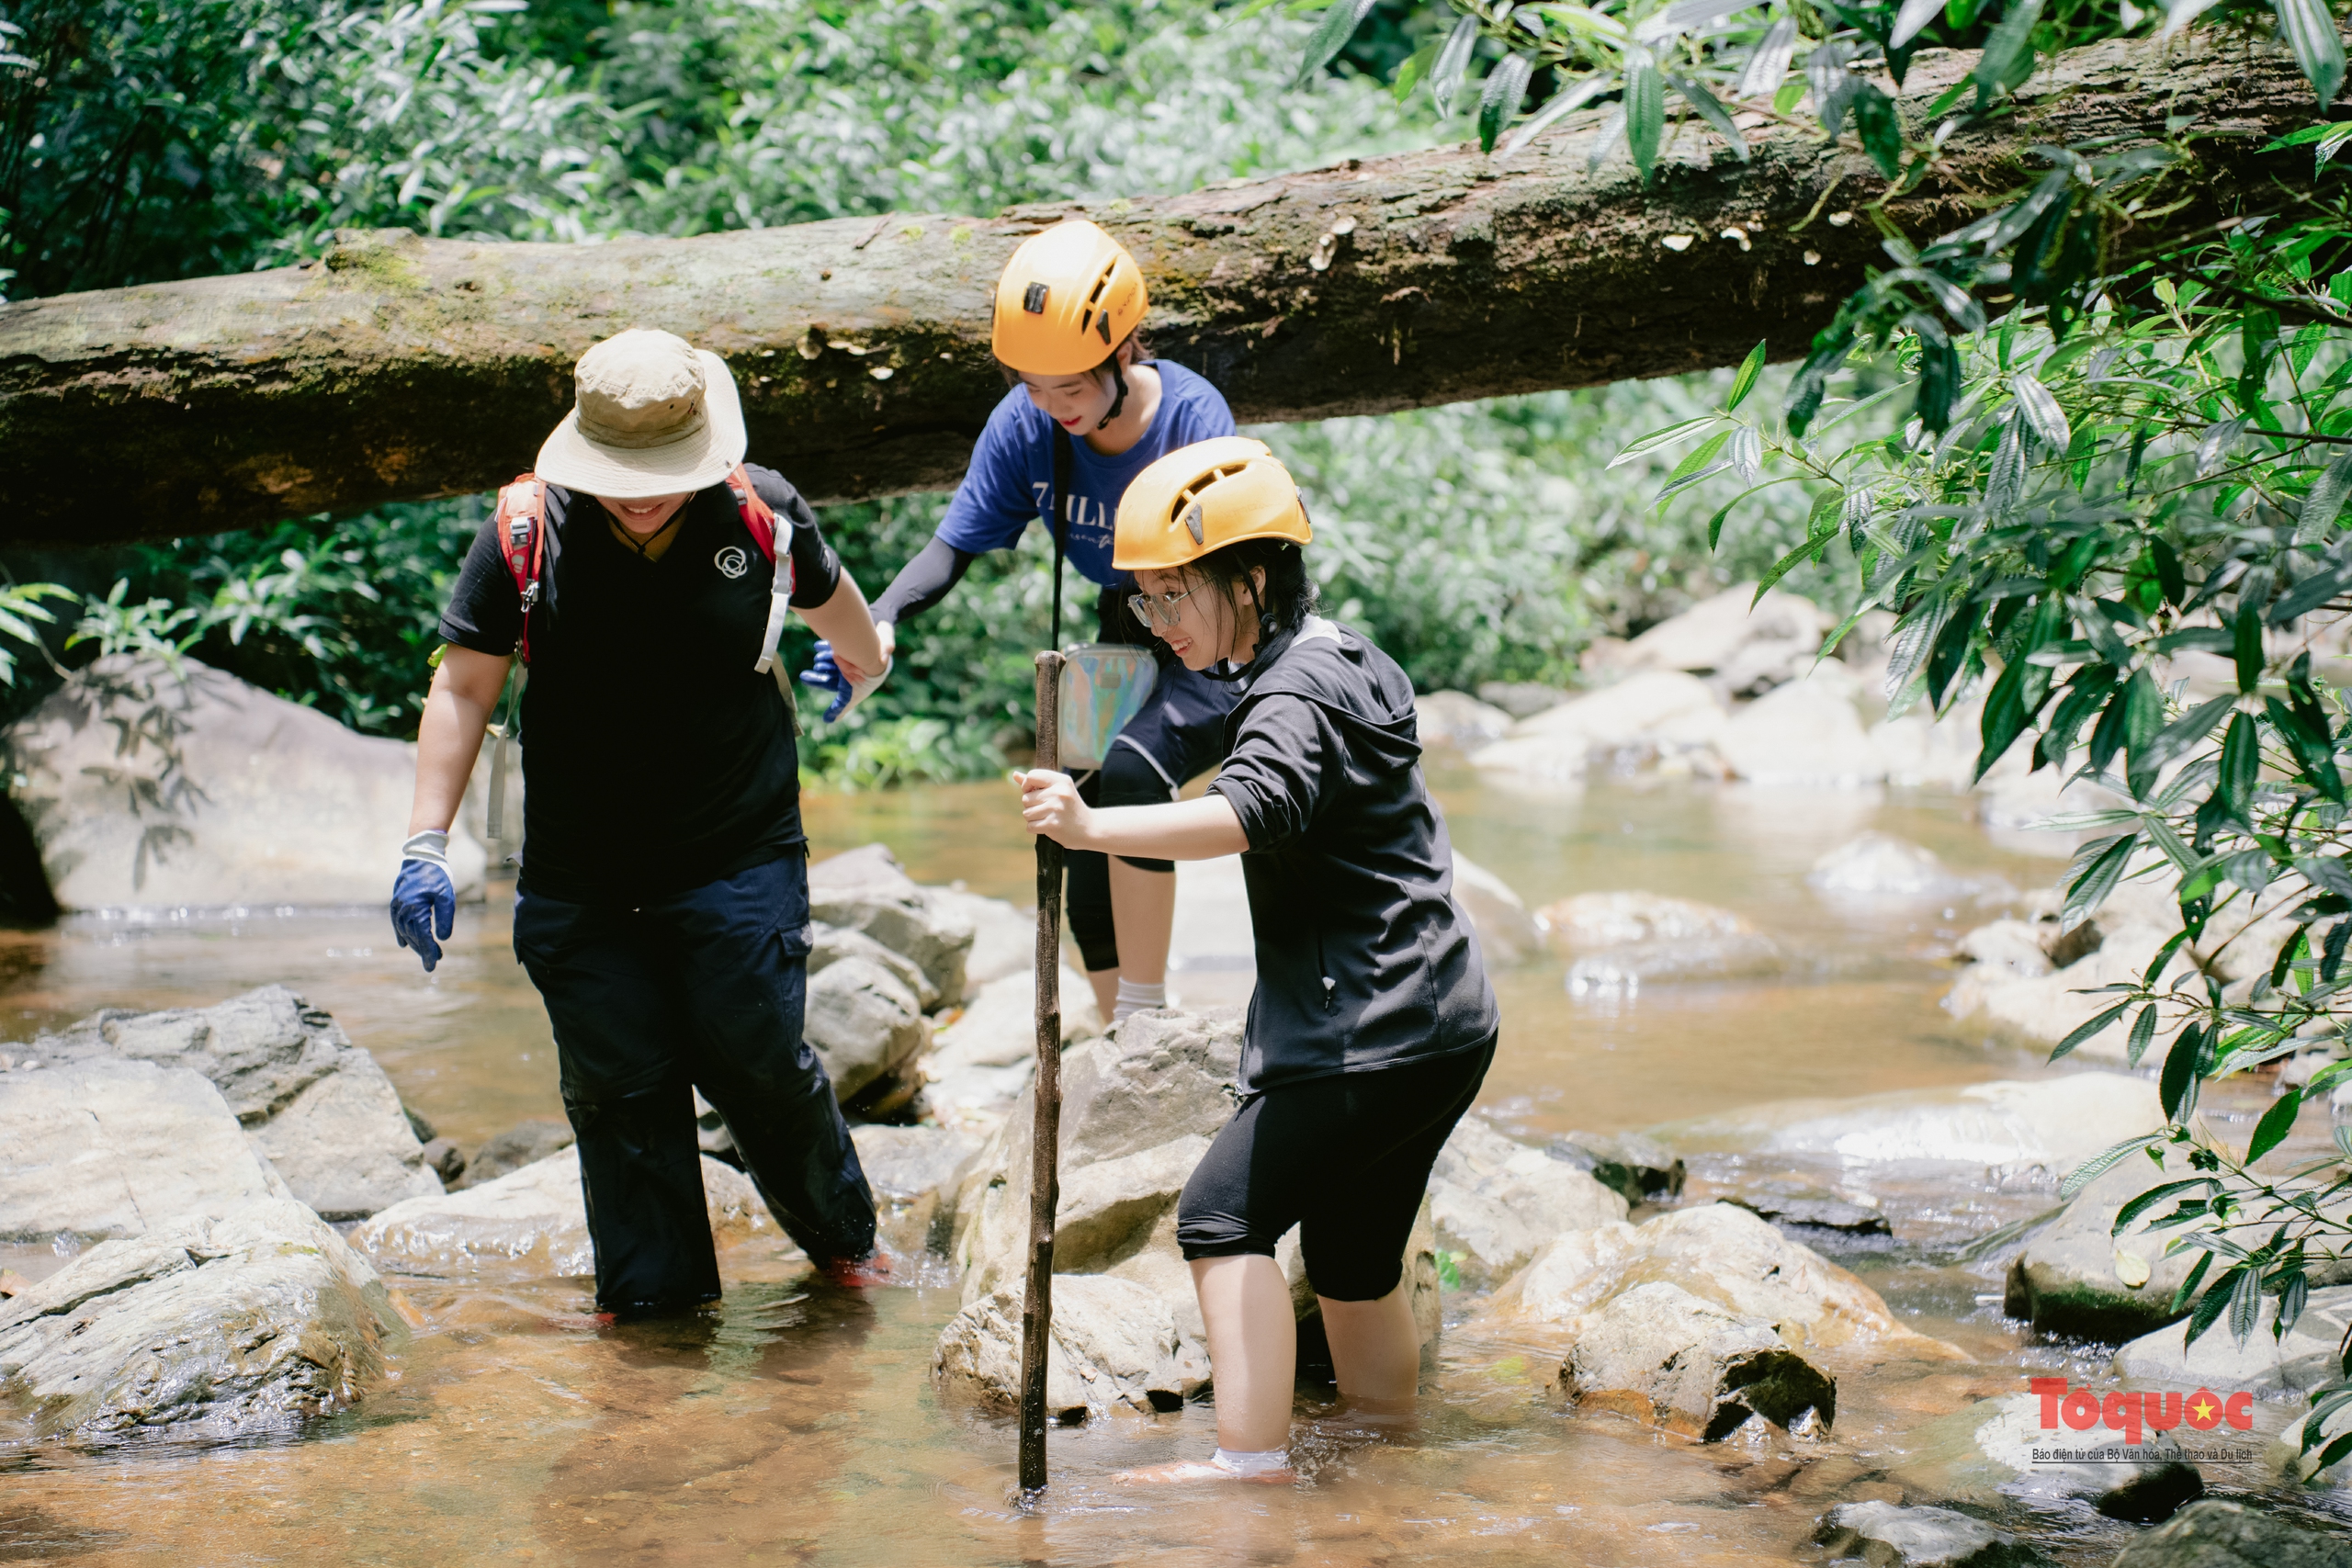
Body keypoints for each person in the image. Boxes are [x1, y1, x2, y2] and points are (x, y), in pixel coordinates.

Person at [1015, 436, 1500, 1483]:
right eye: (1144, 601)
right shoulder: (1347, 658)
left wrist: (1095, 829)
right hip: (1443, 1019)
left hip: (1366, 1025)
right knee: (1354, 1264)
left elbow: (1253, 811)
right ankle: (1388, 1469)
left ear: (1253, 577)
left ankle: (1246, 1481)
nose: (1159, 625)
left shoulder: (1289, 695)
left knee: (1220, 1215)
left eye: (1174, 595)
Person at [390, 327, 891, 1318]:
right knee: (621, 1096)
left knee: (752, 1063)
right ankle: (658, 1334)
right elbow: (462, 692)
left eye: (662, 471)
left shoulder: (762, 514)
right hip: (580, 878)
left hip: (736, 852)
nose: (642, 491)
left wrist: (863, 663)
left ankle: (844, 1245)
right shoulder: (526, 533)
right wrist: (423, 843)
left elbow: (845, 620)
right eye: (622, 475)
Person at [841, 219, 1239, 1026]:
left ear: (1125, 353)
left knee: (1130, 777)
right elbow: (953, 546)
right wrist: (881, 618)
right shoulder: (1026, 426)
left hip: (1213, 631)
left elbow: (1235, 572)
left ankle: (1145, 1017)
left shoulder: (1193, 420)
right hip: (1122, 625)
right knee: (1069, 815)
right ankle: (1114, 1029)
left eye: (1072, 390)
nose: (1053, 408)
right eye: (1033, 387)